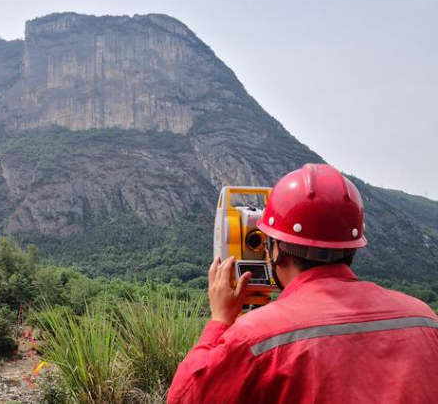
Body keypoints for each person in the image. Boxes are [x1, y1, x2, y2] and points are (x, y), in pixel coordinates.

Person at [168, 164, 438, 404]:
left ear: (275, 250)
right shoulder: (425, 318)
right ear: (352, 248)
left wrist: (219, 321)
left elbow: (184, 397)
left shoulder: (255, 337)